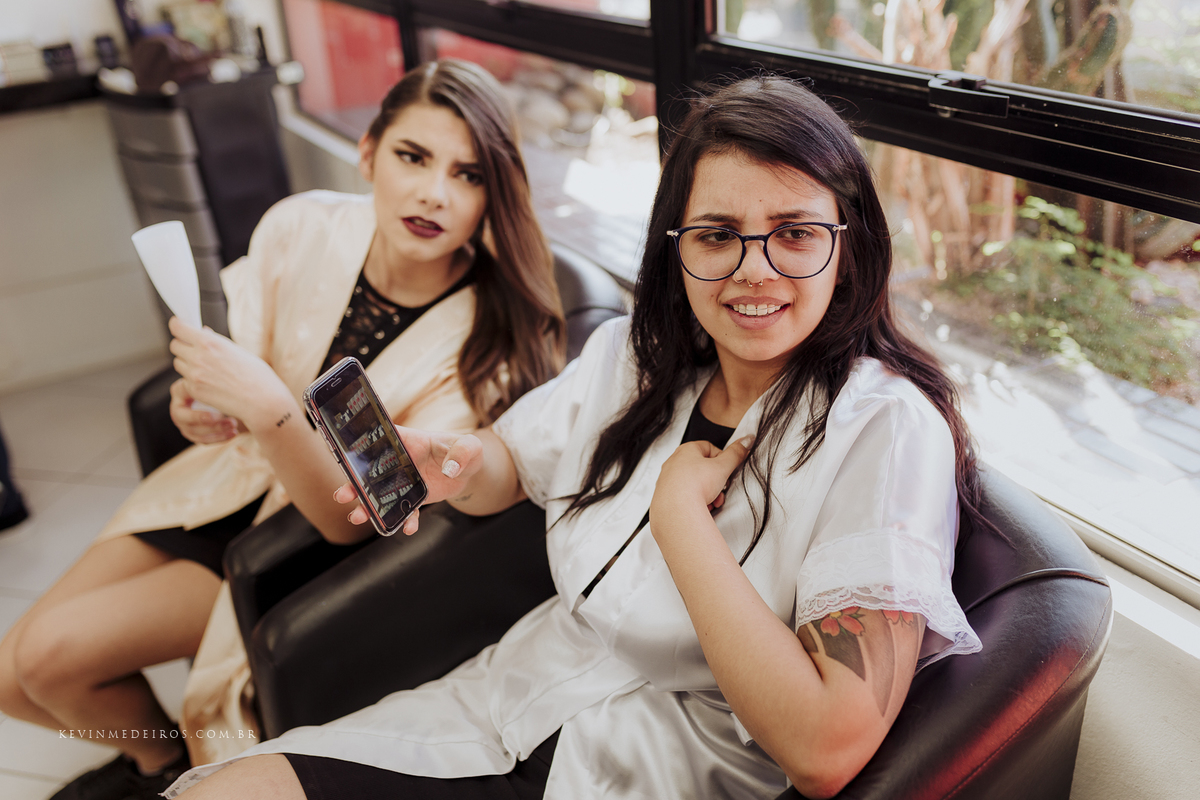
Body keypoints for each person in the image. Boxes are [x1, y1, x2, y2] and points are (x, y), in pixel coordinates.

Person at [165, 73, 985, 800]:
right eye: (716, 234)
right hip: (505, 700)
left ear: (849, 245)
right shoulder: (639, 359)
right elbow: (515, 460)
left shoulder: (885, 429)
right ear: (677, 247)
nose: (754, 269)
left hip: (662, 766)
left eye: (796, 233)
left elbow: (825, 749)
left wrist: (682, 526)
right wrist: (455, 461)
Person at [0, 59, 564, 800]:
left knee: (48, 659)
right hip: (223, 483)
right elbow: (240, 368)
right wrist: (199, 406)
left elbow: (358, 523)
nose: (434, 191)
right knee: (12, 677)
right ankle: (154, 758)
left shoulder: (486, 343)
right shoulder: (302, 226)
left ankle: (155, 766)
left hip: (299, 549)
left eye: (468, 175)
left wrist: (269, 409)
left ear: (494, 193)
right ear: (368, 152)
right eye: (412, 157)